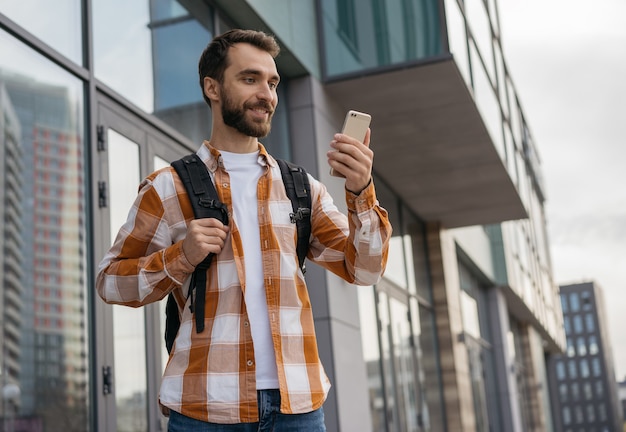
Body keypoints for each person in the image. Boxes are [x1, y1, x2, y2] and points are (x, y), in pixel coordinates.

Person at [96, 29, 392, 431]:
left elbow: (365, 269)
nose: (267, 94)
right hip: (206, 410)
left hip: (299, 410)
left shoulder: (301, 189)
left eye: (272, 83)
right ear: (212, 87)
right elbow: (110, 282)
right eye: (250, 79)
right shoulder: (168, 188)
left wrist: (360, 192)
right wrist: (180, 257)